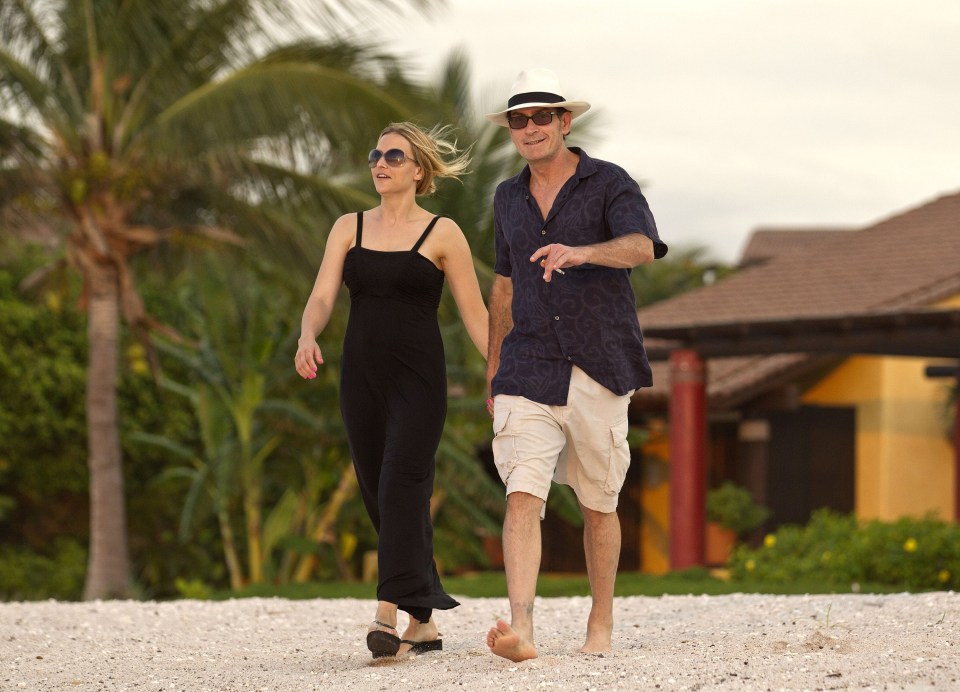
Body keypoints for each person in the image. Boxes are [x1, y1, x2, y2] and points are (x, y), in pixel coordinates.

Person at [482, 68, 668, 662]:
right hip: (527, 362)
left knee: (598, 504)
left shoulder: (609, 182)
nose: (530, 128)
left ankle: (601, 625)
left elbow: (643, 246)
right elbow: (504, 288)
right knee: (522, 492)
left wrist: (582, 252)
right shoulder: (506, 197)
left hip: (600, 360)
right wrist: (493, 369)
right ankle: (522, 629)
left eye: (542, 117)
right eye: (519, 120)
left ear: (565, 123)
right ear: (511, 130)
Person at [294, 122, 488, 659]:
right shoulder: (348, 226)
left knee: (403, 482)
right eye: (375, 153)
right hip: (361, 380)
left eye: (394, 156)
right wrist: (308, 333)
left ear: (418, 170)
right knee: (380, 494)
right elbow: (321, 295)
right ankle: (423, 621)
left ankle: (386, 612)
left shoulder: (444, 233)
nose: (380, 163)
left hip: (420, 381)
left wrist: (502, 373)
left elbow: (477, 316)